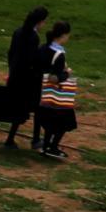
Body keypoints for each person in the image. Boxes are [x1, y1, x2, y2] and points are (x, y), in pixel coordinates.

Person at [0, 6, 50, 150]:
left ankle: (11, 139)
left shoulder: (18, 32)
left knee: (19, 109)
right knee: (37, 107)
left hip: (15, 75)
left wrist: (11, 71)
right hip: (27, 78)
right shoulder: (33, 37)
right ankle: (35, 139)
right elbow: (31, 60)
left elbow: (11, 54)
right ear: (39, 22)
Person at [34, 21, 77, 157]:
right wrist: (67, 73)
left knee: (49, 122)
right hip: (54, 93)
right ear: (63, 35)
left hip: (39, 90)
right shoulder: (59, 54)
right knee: (64, 121)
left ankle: (46, 145)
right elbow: (53, 78)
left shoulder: (43, 48)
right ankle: (53, 146)